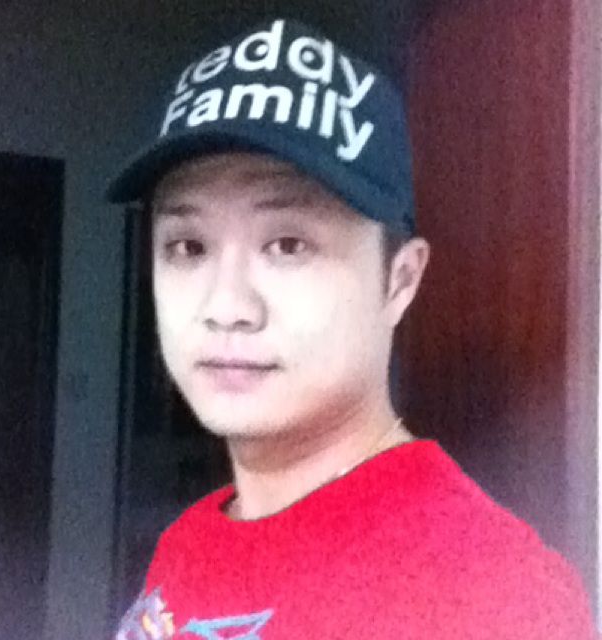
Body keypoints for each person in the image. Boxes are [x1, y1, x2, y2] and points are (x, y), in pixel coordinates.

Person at [107, 17, 597, 640]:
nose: (226, 305)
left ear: (399, 280)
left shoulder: (493, 595)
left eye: (288, 244)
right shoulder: (185, 542)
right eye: (188, 247)